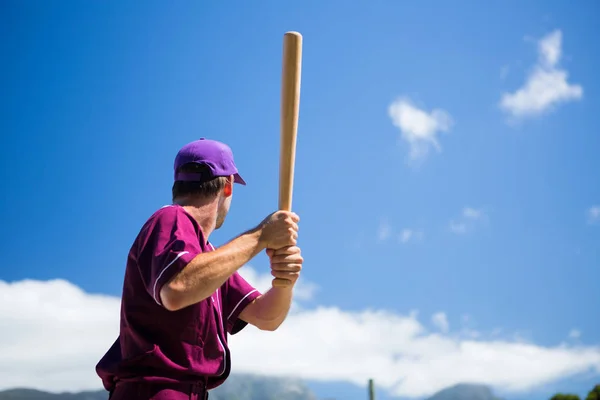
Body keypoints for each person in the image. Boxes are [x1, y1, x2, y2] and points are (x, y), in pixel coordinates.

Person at [95, 138, 303, 400]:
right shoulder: (171, 217)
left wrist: (285, 280)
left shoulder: (209, 260)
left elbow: (267, 317)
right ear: (227, 186)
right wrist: (261, 235)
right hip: (155, 391)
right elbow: (177, 288)